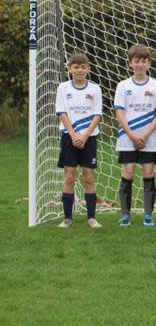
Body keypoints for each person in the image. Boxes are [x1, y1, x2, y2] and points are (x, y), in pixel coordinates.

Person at [114, 45, 156, 228]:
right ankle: (125, 215)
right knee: (128, 172)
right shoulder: (123, 86)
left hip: (150, 138)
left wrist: (145, 135)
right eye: (136, 61)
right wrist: (132, 135)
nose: (140, 64)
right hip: (127, 138)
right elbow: (119, 112)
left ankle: (148, 215)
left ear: (149, 63)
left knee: (148, 172)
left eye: (143, 61)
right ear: (130, 63)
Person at [56, 52, 103, 229]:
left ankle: (91, 218)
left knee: (88, 177)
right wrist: (74, 135)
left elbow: (98, 115)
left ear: (88, 69)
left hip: (89, 137)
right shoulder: (63, 88)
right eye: (76, 67)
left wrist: (84, 135)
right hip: (69, 136)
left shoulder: (95, 89)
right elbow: (62, 113)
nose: (79, 70)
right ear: (69, 69)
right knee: (69, 177)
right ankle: (67, 218)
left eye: (83, 67)